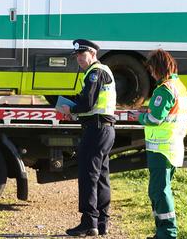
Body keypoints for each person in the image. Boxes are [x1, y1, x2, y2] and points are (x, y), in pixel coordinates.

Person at [60, 39, 116, 237]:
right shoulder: (101, 71)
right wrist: (75, 109)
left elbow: (88, 103)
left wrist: (72, 109)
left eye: (82, 56)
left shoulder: (95, 72)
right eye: (77, 56)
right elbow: (89, 101)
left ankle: (88, 223)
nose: (79, 60)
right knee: (101, 176)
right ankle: (102, 222)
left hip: (96, 129)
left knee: (88, 176)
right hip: (105, 130)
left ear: (93, 54)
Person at [139, 49, 187, 239]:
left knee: (158, 191)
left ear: (158, 68)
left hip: (162, 148)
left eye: (152, 69)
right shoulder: (179, 86)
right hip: (172, 146)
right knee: (160, 190)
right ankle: (163, 231)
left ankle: (167, 233)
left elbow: (154, 118)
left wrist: (140, 117)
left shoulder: (164, 89)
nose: (151, 73)